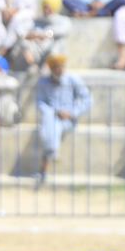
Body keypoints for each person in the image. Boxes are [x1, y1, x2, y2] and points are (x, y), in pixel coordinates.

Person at [35, 53, 91, 182]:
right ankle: (54, 151)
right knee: (51, 120)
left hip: (68, 120)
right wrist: (54, 112)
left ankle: (45, 166)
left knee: (51, 125)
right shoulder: (43, 82)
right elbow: (40, 104)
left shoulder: (73, 79)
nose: (59, 69)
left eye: (61, 66)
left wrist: (72, 113)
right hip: (50, 118)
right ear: (51, 69)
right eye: (56, 67)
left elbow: (88, 99)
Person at [10, 0, 70, 71]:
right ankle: (33, 66)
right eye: (44, 8)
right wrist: (26, 35)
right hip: (36, 52)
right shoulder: (36, 21)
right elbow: (19, 29)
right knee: (22, 39)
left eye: (48, 8)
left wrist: (46, 34)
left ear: (54, 8)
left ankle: (47, 68)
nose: (46, 10)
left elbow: (63, 30)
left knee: (59, 40)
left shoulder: (63, 21)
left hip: (51, 53)